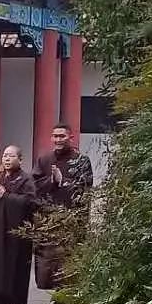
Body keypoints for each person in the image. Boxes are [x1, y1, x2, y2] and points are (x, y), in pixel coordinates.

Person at [33, 122, 94, 289]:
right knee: (48, 257)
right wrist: (51, 180)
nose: (58, 139)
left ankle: (66, 294)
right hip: (49, 217)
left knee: (68, 256)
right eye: (55, 136)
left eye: (62, 136)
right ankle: (54, 293)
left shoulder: (81, 160)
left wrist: (63, 181)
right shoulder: (44, 160)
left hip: (71, 216)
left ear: (70, 137)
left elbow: (85, 187)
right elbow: (35, 185)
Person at [0, 145, 37, 304]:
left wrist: (5, 196)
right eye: (5, 156)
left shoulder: (26, 179)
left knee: (12, 268)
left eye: (10, 156)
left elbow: (29, 203)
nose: (6, 159)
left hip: (15, 234)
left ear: (20, 160)